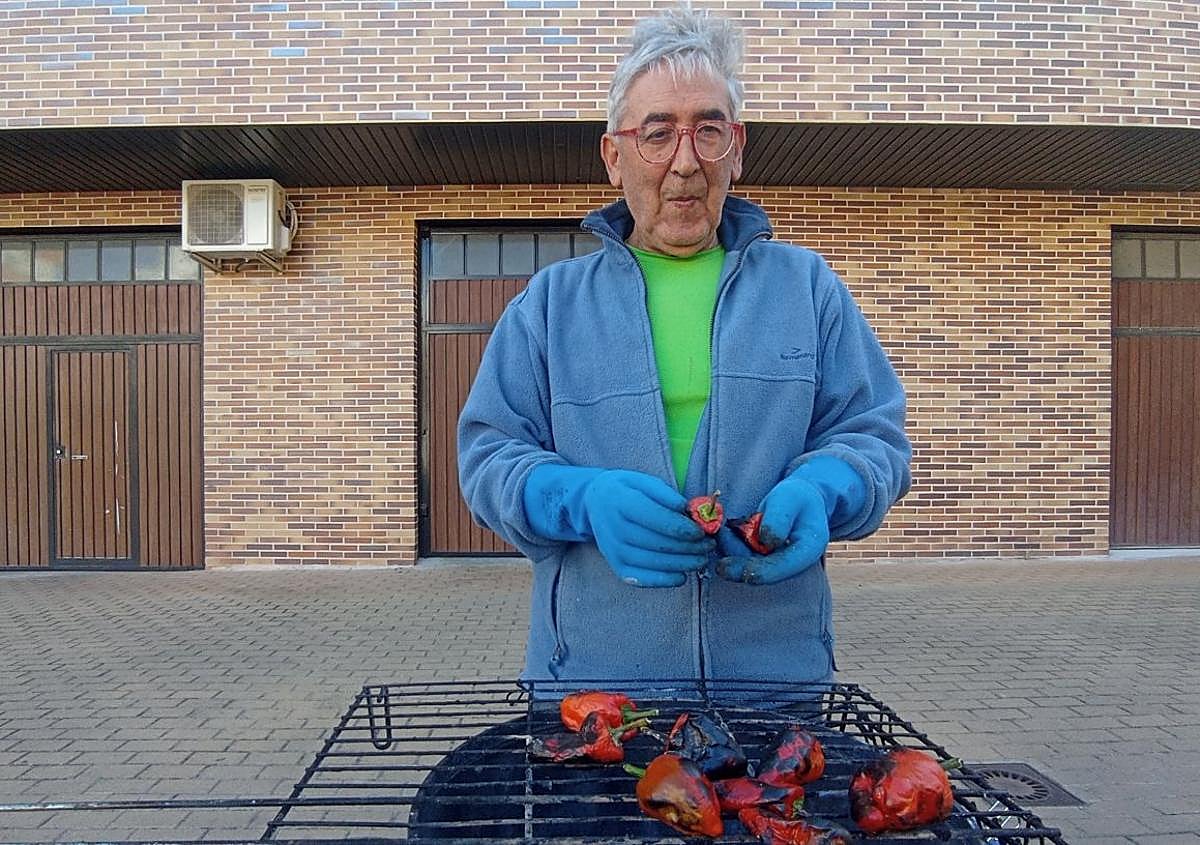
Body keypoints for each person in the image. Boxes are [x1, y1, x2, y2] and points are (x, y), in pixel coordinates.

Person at [457, 5, 910, 691]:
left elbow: (875, 435)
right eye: (658, 133)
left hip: (775, 685)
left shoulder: (807, 288)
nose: (686, 161)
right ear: (615, 155)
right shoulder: (549, 307)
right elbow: (489, 457)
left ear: (738, 148)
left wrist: (828, 486)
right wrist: (578, 497)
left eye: (709, 131)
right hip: (594, 693)